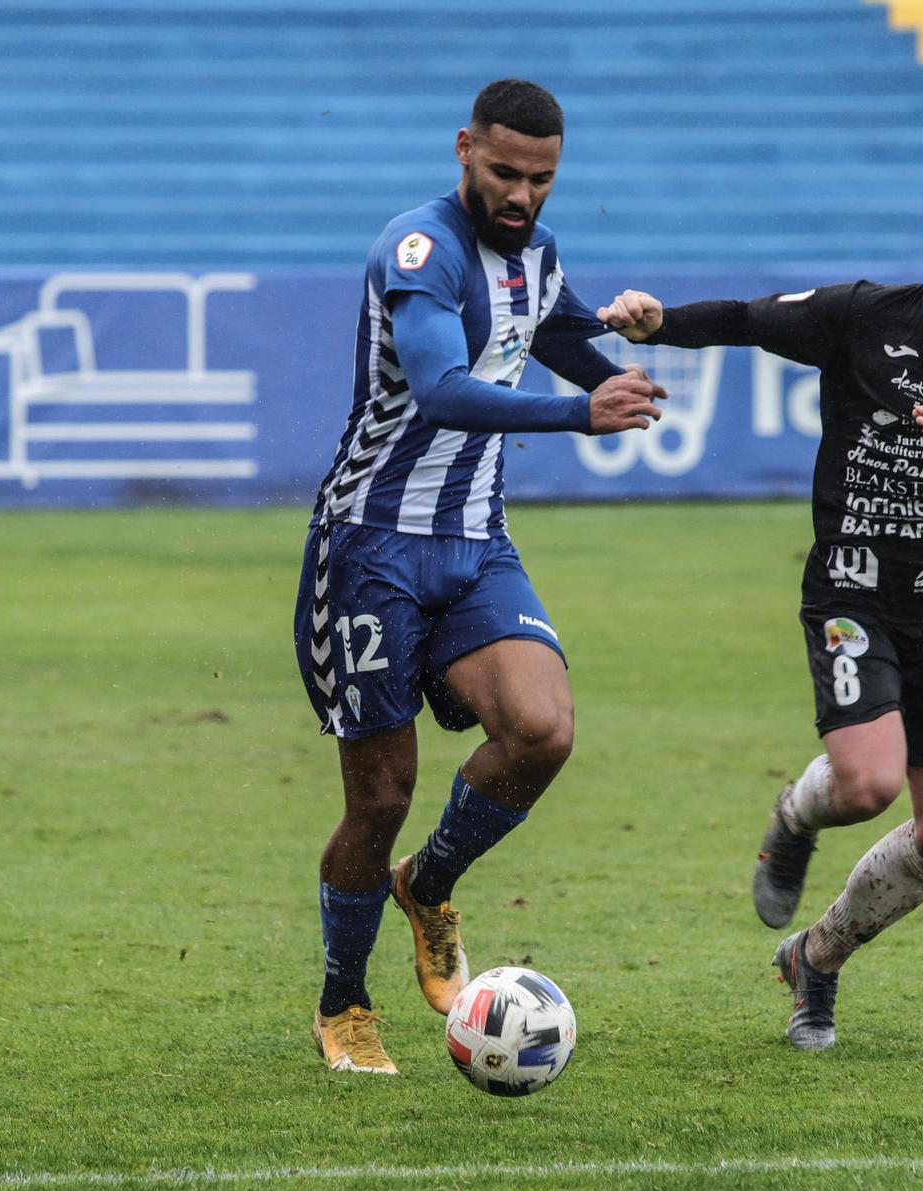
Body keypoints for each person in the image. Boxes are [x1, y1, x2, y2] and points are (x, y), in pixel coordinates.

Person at [598, 179, 923, 1051]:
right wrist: (659, 323)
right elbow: (749, 318)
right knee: (867, 784)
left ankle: (815, 959)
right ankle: (796, 814)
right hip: (853, 592)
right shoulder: (862, 317)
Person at [294, 79, 665, 1075]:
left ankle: (431, 881)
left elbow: (548, 329)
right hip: (368, 550)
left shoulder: (535, 252)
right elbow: (442, 387)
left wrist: (616, 361)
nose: (520, 194)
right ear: (464, 148)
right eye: (503, 172)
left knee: (541, 730)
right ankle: (343, 1002)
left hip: (471, 543)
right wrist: (576, 414)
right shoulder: (421, 253)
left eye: (540, 178)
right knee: (379, 797)